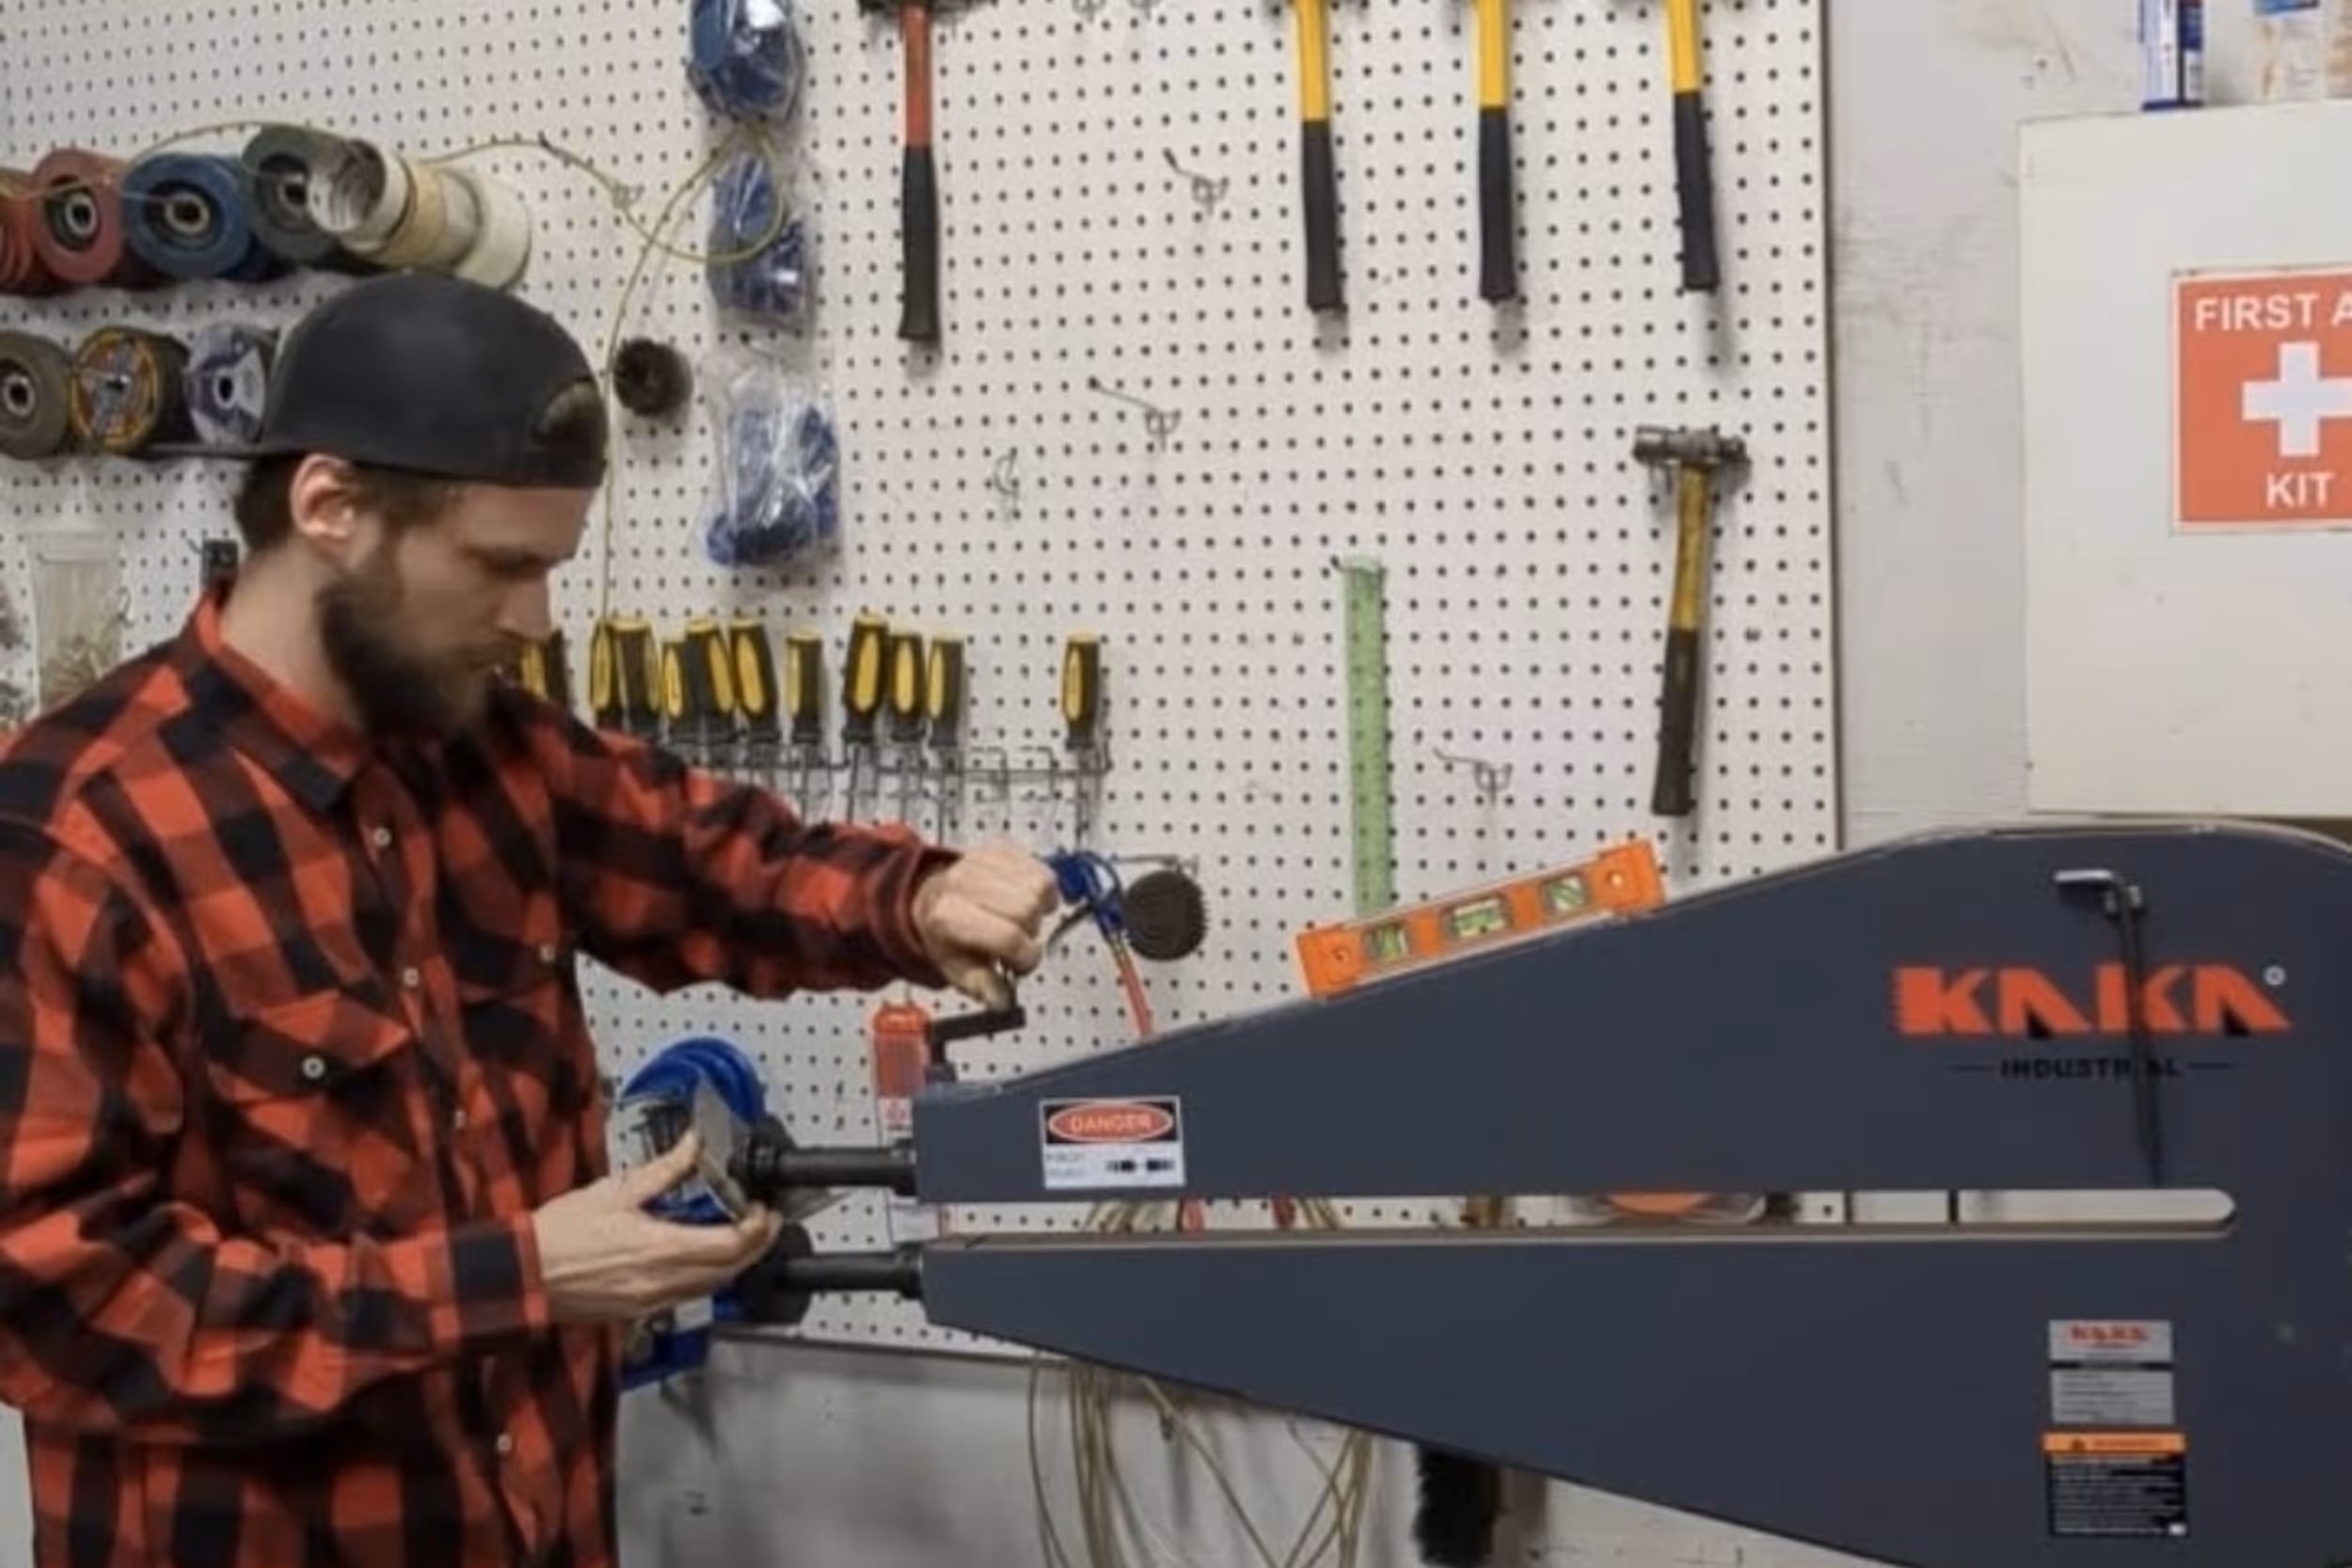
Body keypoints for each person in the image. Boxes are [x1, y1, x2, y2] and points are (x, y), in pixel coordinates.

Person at [0, 271, 1060, 1567]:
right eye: (501, 565)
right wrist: (517, 1276)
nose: (534, 620)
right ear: (330, 506)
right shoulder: (76, 836)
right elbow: (56, 1300)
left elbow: (720, 865)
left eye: (549, 568)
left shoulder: (488, 752)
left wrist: (921, 896)